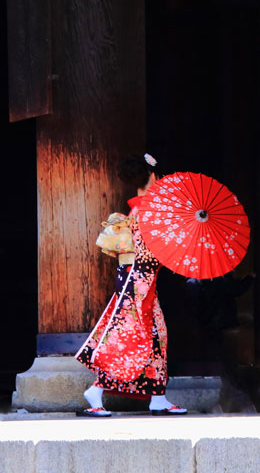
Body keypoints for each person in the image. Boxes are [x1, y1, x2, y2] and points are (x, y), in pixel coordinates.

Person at [74, 153, 187, 416]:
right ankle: (98, 389)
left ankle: (157, 396)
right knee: (131, 337)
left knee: (155, 336)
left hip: (140, 280)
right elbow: (148, 252)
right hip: (138, 283)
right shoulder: (146, 210)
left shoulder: (142, 208)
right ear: (154, 176)